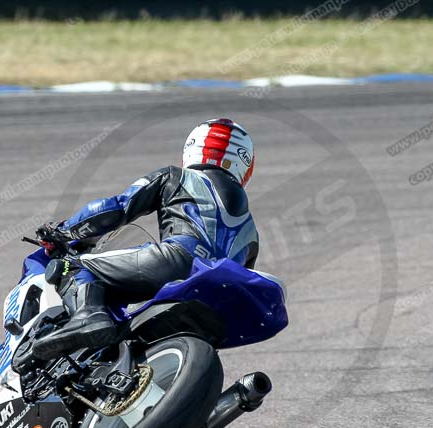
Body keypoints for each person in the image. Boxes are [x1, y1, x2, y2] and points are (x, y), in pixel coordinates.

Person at [20, 118, 259, 359]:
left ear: (192, 151)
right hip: (217, 300)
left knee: (72, 266)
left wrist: (63, 231)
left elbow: (115, 209)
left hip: (175, 260)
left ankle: (87, 316)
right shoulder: (252, 232)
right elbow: (247, 277)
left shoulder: (176, 177)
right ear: (245, 164)